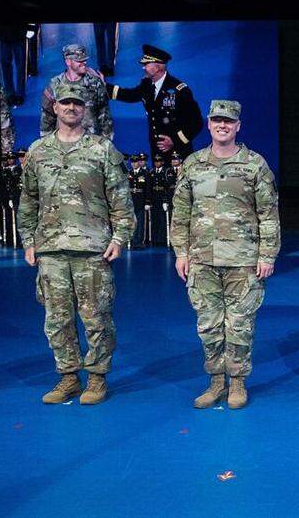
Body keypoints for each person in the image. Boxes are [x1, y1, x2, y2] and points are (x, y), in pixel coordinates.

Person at [19, 85, 135, 405]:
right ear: (55, 107)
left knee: (96, 316)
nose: (71, 107)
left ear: (85, 109)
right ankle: (68, 377)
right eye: (65, 102)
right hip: (51, 247)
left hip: (92, 248)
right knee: (56, 318)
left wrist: (119, 237)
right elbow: (28, 200)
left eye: (77, 103)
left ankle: (97, 377)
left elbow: (121, 199)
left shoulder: (102, 149)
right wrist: (28, 241)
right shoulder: (39, 151)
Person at [171, 100, 280, 410]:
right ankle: (216, 381)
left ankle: (237, 382)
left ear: (238, 126)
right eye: (217, 120)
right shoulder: (193, 164)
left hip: (243, 260)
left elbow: (268, 213)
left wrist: (267, 255)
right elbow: (181, 212)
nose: (222, 125)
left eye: (228, 121)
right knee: (208, 324)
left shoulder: (254, 164)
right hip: (202, 259)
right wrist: (181, 252)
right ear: (209, 124)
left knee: (240, 324)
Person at [109, 44, 203, 159]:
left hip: (178, 151)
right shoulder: (146, 84)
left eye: (146, 64)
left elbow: (196, 122)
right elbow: (130, 95)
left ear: (158, 67)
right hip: (156, 149)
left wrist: (175, 140)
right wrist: (103, 86)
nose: (143, 67)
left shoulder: (179, 90)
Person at [39, 44, 113, 139]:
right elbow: (47, 117)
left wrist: (106, 143)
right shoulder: (55, 85)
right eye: (79, 61)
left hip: (91, 144)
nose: (84, 63)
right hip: (63, 143)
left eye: (84, 60)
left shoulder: (95, 83)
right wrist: (46, 143)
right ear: (68, 62)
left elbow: (104, 115)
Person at [127, 153, 151, 248]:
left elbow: (148, 188)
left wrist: (147, 202)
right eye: (132, 162)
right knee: (132, 222)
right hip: (131, 201)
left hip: (141, 201)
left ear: (139, 162)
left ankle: (139, 241)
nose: (134, 164)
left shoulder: (145, 174)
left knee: (140, 223)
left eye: (135, 162)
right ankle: (132, 240)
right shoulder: (129, 173)